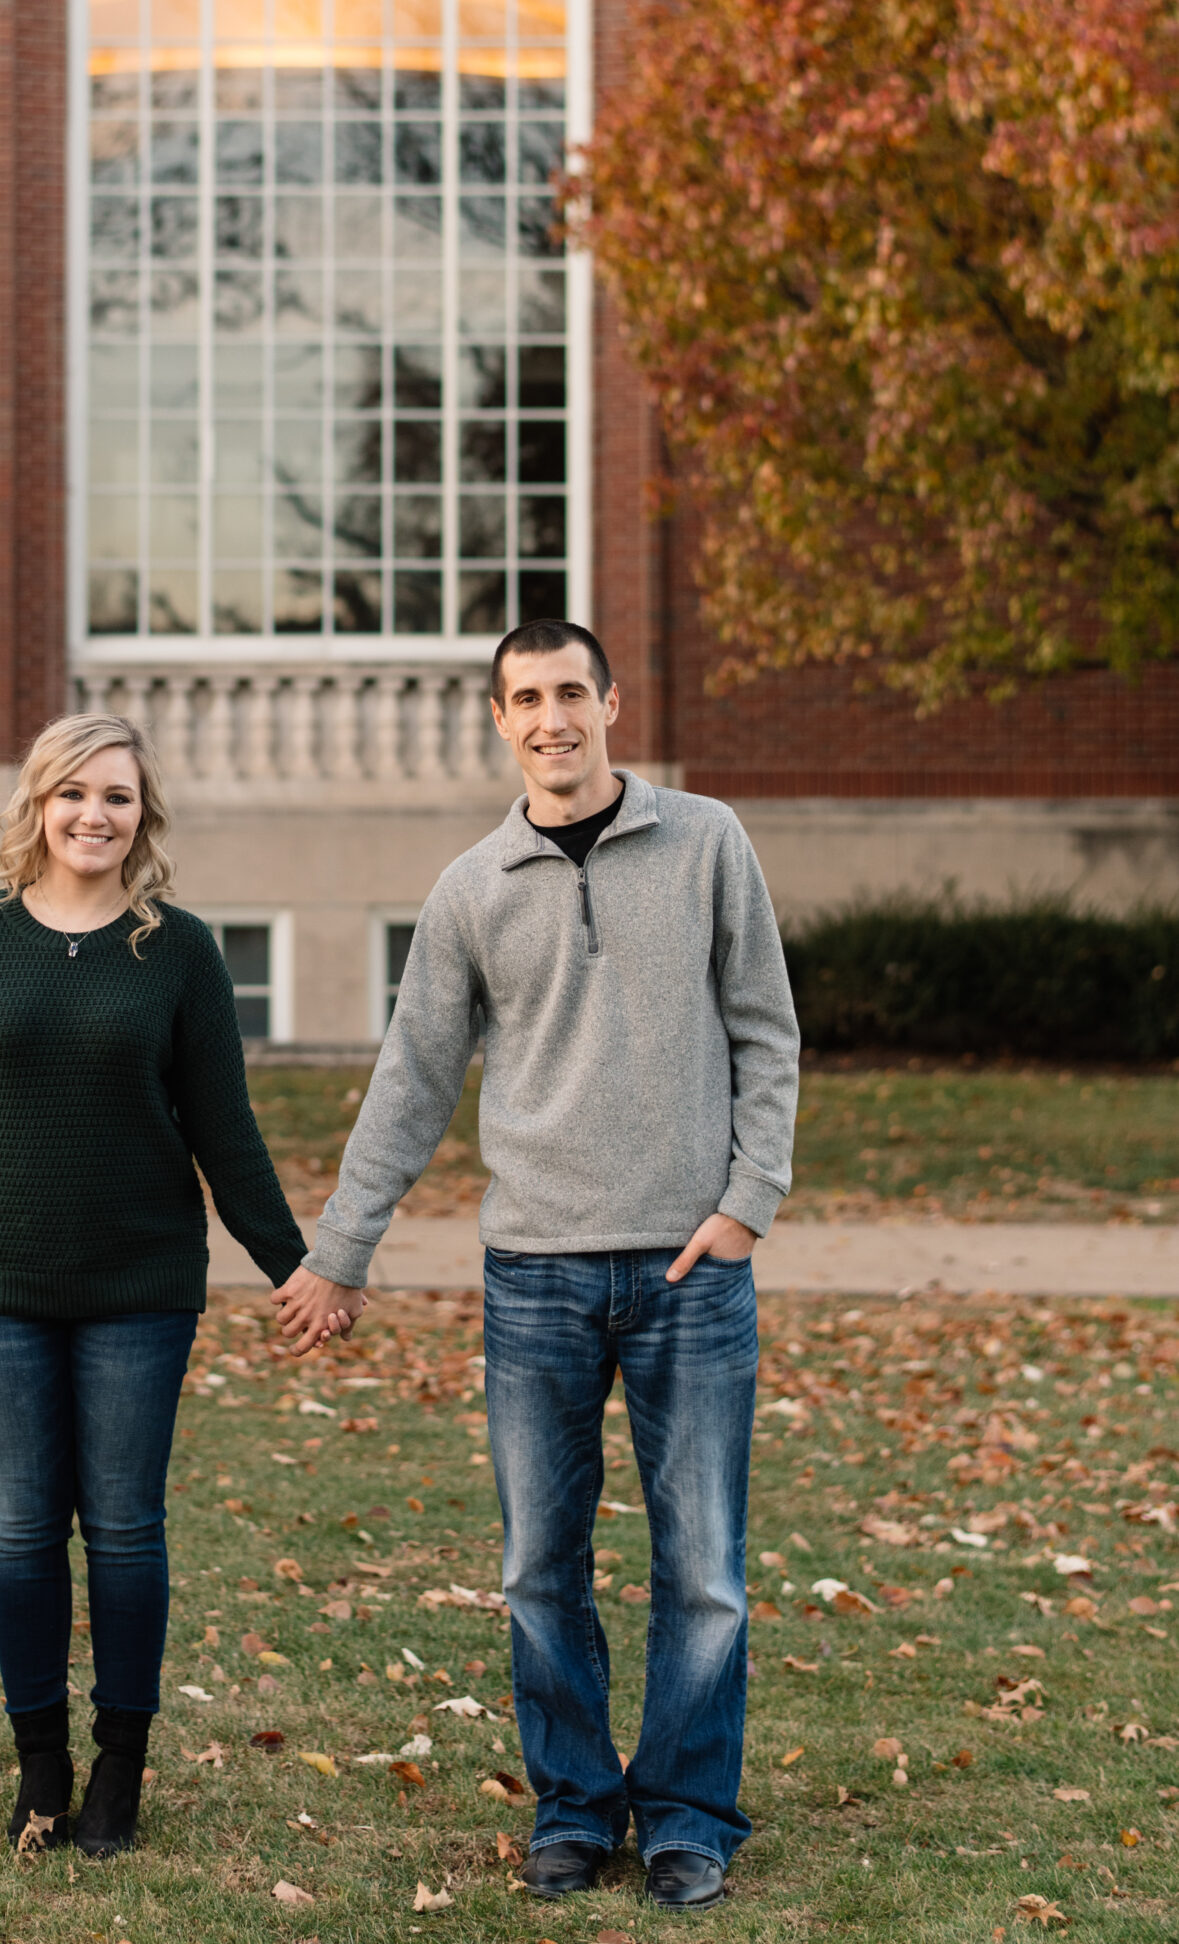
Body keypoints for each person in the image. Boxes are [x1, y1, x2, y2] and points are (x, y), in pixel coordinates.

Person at [275, 621, 799, 1912]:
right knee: (534, 1567)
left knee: (703, 1571)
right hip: (535, 1277)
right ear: (499, 722)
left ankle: (684, 1816)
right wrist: (339, 1251)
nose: (551, 717)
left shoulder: (707, 845)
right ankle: (571, 1808)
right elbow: (409, 1082)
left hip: (689, 1272)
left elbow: (765, 1031)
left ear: (611, 703)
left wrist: (746, 1205)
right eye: (525, 699)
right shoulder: (471, 888)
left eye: (571, 692)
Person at [0, 712, 342, 1859]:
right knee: (23, 1529)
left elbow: (222, 1128)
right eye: (75, 792)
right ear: (39, 803)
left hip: (141, 1283)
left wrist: (300, 1264)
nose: (96, 814)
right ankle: (41, 1764)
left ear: (145, 817)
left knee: (127, 1529)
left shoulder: (176, 949)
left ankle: (120, 1774)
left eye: (119, 797)